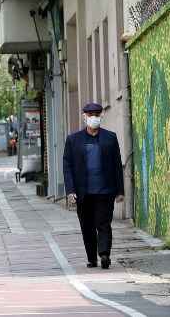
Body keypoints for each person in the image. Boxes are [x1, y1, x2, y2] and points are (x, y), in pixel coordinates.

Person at [63, 102, 124, 269]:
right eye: (90, 116)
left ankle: (104, 254)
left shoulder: (110, 138)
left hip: (105, 191)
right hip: (83, 193)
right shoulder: (73, 140)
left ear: (101, 116)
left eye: (96, 115)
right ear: (84, 117)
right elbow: (67, 167)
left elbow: (117, 165)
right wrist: (70, 190)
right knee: (87, 226)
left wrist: (120, 191)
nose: (94, 118)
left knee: (103, 223)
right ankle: (92, 258)